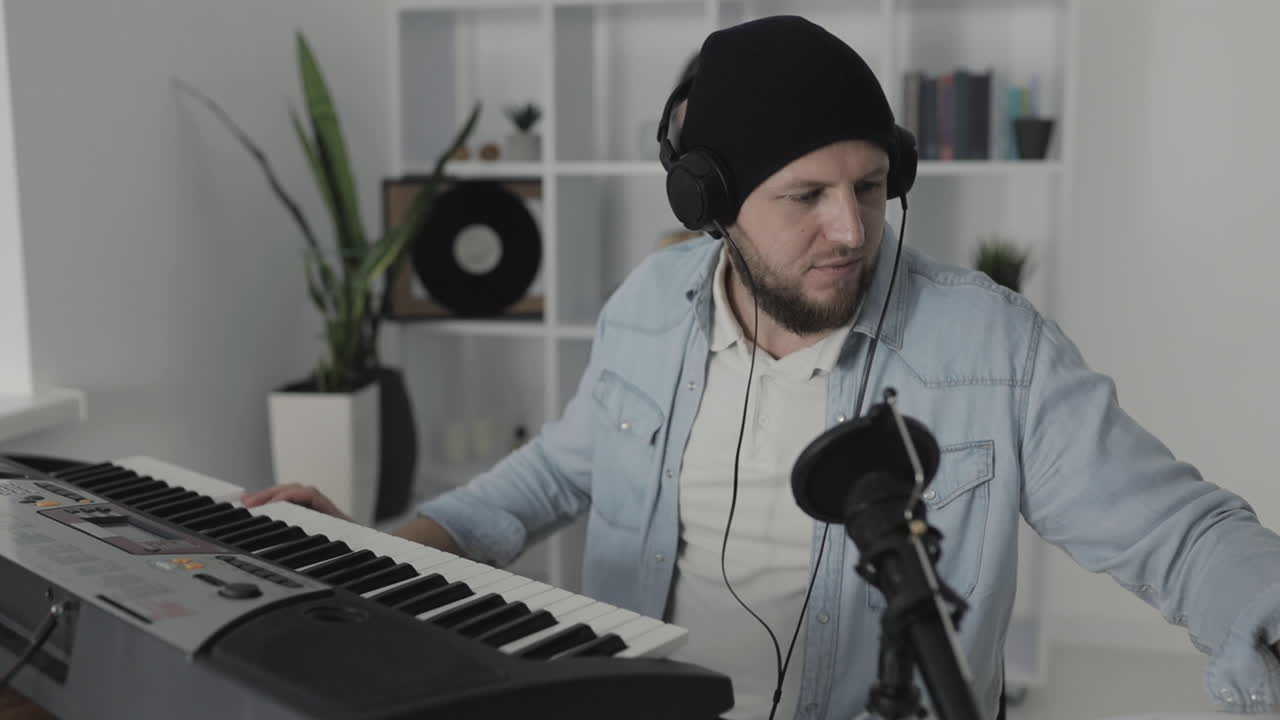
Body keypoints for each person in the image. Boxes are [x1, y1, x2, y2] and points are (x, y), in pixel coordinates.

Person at [244, 15, 1280, 720]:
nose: (851, 229)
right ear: (710, 202)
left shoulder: (991, 349)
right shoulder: (648, 308)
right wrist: (378, 552)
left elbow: (1185, 539)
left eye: (872, 186)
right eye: (805, 196)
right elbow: (551, 477)